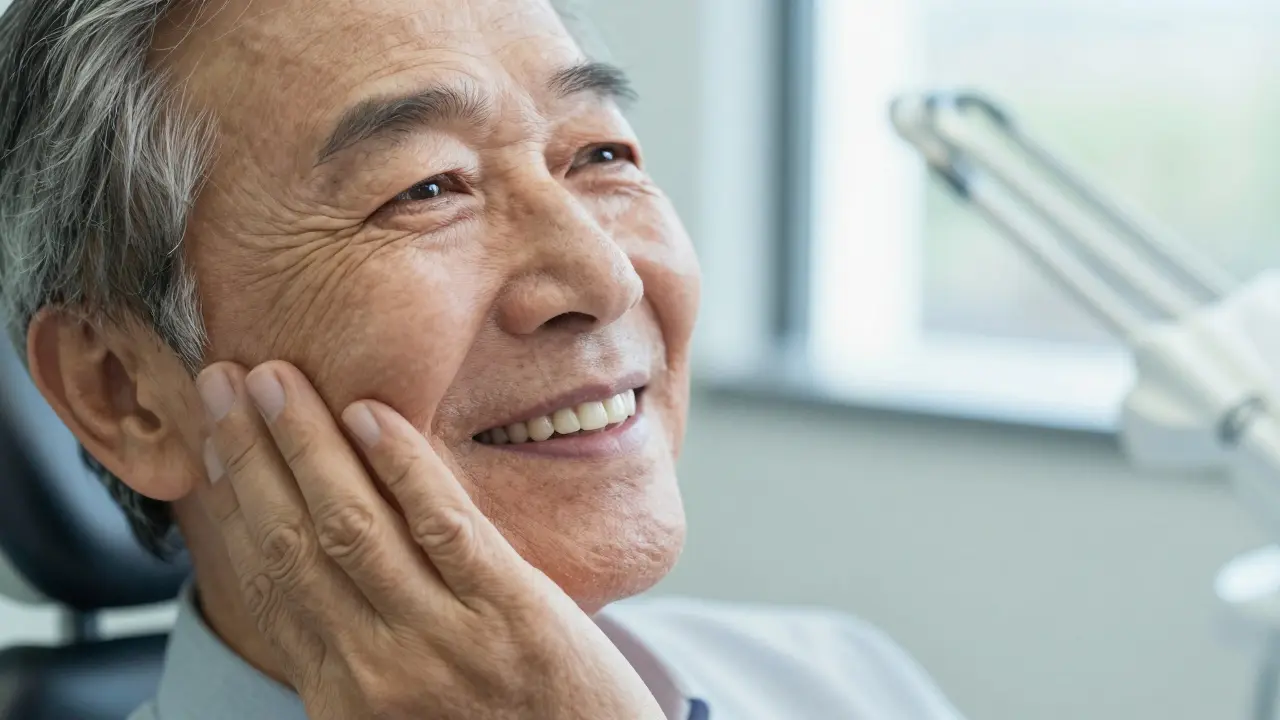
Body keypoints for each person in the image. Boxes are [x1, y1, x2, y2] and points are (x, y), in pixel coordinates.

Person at [0, 0, 966, 717]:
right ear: (124, 393)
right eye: (425, 187)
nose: (605, 277)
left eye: (601, 156)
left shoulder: (848, 684)